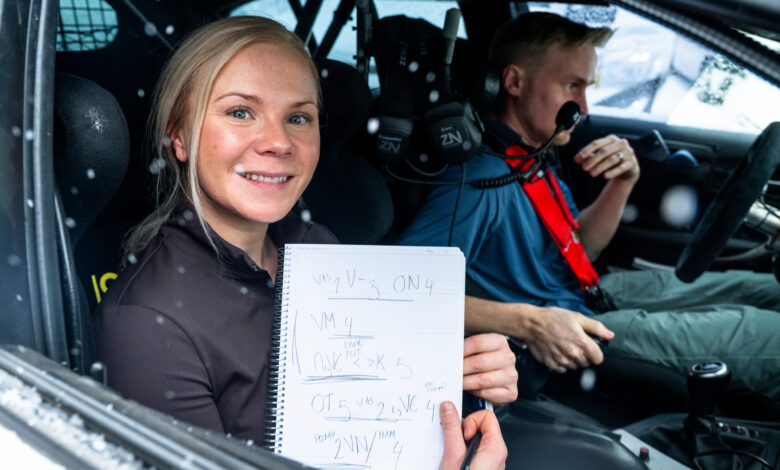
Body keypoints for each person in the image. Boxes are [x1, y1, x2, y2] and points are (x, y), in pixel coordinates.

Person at [93, 16, 513, 468]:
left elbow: (383, 405)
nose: (278, 141)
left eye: (298, 117)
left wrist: (469, 389)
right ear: (179, 135)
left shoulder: (317, 248)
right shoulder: (146, 323)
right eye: (240, 112)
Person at [398, 12, 780, 414]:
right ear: (513, 83)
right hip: (562, 333)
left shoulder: (530, 157)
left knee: (768, 291)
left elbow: (579, 247)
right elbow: (404, 291)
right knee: (770, 338)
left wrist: (624, 182)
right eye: (572, 86)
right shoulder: (478, 181)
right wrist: (529, 322)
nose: (584, 106)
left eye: (586, 87)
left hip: (588, 294)